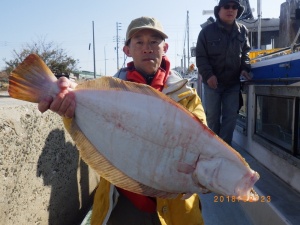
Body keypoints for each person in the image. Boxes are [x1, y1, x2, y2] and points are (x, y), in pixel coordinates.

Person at [39, 16, 207, 225]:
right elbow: (81, 124)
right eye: (139, 41)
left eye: (154, 41)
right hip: (121, 200)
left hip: (176, 209)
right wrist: (67, 101)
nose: (147, 48)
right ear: (127, 50)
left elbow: (201, 143)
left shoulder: (187, 96)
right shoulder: (105, 91)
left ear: (165, 48)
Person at [195, 0, 252, 145]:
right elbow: (201, 57)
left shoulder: (243, 30)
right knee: (213, 117)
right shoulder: (206, 32)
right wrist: (208, 75)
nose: (231, 10)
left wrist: (245, 68)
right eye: (226, 6)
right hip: (213, 84)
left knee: (231, 118)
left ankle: (224, 149)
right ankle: (213, 148)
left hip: (232, 83)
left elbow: (246, 52)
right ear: (218, 10)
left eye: (234, 7)